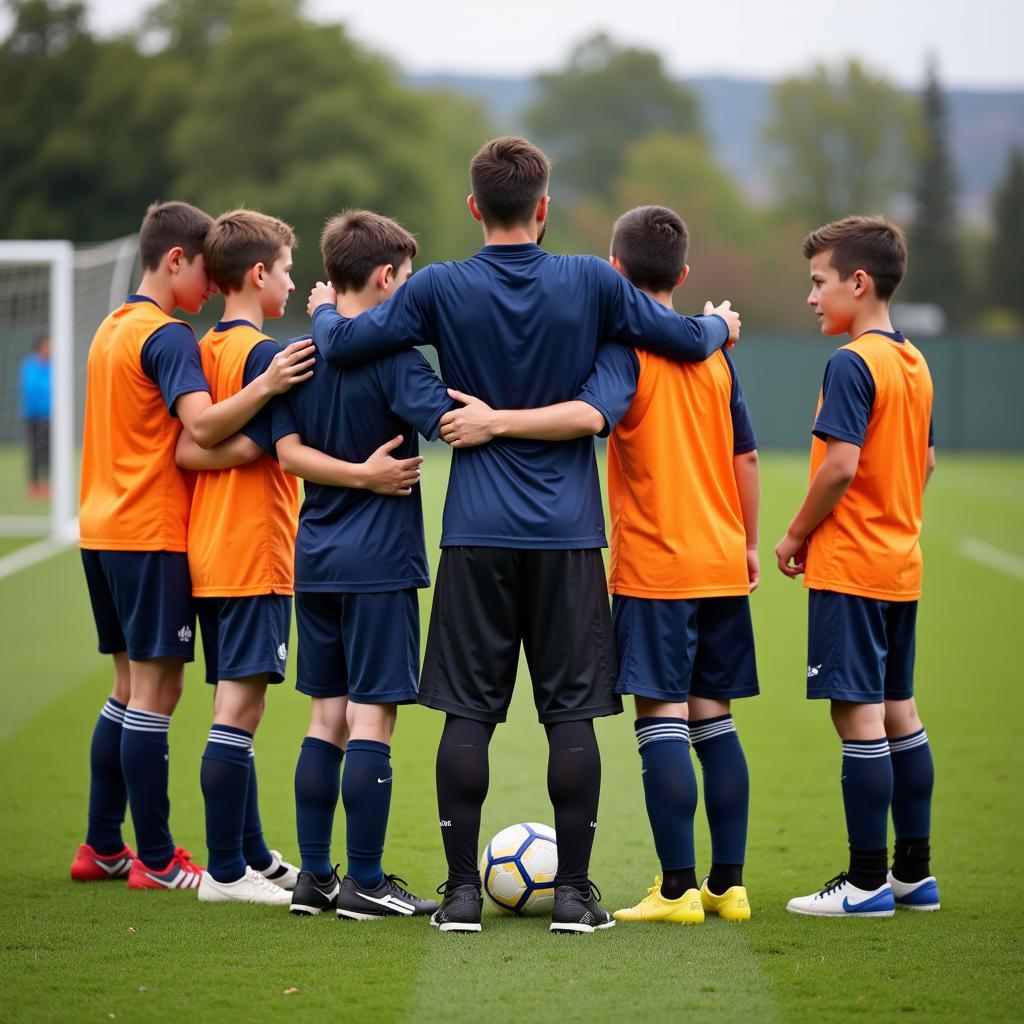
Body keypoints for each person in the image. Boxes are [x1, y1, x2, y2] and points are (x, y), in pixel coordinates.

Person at [306, 136, 741, 934]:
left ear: (475, 207)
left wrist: (324, 308)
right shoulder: (589, 283)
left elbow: (341, 345)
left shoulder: (436, 286)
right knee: (571, 714)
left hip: (473, 532)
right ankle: (574, 895)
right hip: (570, 538)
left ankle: (462, 896)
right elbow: (681, 341)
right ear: (544, 207)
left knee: (466, 713)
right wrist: (718, 326)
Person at [438, 205, 760, 926]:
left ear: (614, 272)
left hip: (656, 562)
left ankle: (677, 892)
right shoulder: (717, 357)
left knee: (664, 721)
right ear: (682, 275)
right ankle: (729, 887)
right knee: (716, 721)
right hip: (718, 554)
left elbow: (589, 414)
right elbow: (746, 455)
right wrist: (746, 541)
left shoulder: (621, 352)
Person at [72, 201, 314, 890]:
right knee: (157, 694)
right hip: (150, 533)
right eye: (202, 272)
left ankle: (101, 845)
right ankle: (155, 859)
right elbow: (198, 429)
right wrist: (268, 388)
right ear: (173, 260)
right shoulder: (171, 336)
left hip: (100, 530)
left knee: (127, 690)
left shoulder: (111, 328)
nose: (210, 286)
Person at [273, 210, 447, 921]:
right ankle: (368, 883)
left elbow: (284, 454)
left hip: (313, 556)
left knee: (325, 718)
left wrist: (346, 473)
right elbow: (445, 421)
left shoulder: (292, 356)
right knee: (373, 719)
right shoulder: (396, 358)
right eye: (404, 281)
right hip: (379, 562)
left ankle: (314, 879)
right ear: (383, 278)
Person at [775, 215, 938, 917]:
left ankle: (866, 882)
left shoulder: (851, 362)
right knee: (900, 710)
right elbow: (925, 462)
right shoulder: (914, 361)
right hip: (901, 564)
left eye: (820, 282)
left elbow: (839, 466)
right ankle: (913, 875)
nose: (813, 297)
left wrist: (794, 535)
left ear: (858, 282)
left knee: (858, 717)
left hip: (851, 567)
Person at [176, 208, 310, 905]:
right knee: (239, 713)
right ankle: (224, 874)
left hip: (210, 550)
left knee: (238, 712)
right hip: (254, 551)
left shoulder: (206, 348)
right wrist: (261, 444)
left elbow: (189, 447)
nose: (292, 282)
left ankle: (252, 856)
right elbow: (275, 447)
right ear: (258, 275)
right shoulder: (267, 356)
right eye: (287, 270)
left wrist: (240, 447)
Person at [19, 334, 51, 499]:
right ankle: (34, 486)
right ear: (40, 347)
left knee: (48, 451)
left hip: (50, 416)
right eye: (47, 345)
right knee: (36, 451)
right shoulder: (30, 365)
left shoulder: (52, 365)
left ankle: (47, 484)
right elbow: (31, 390)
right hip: (35, 416)